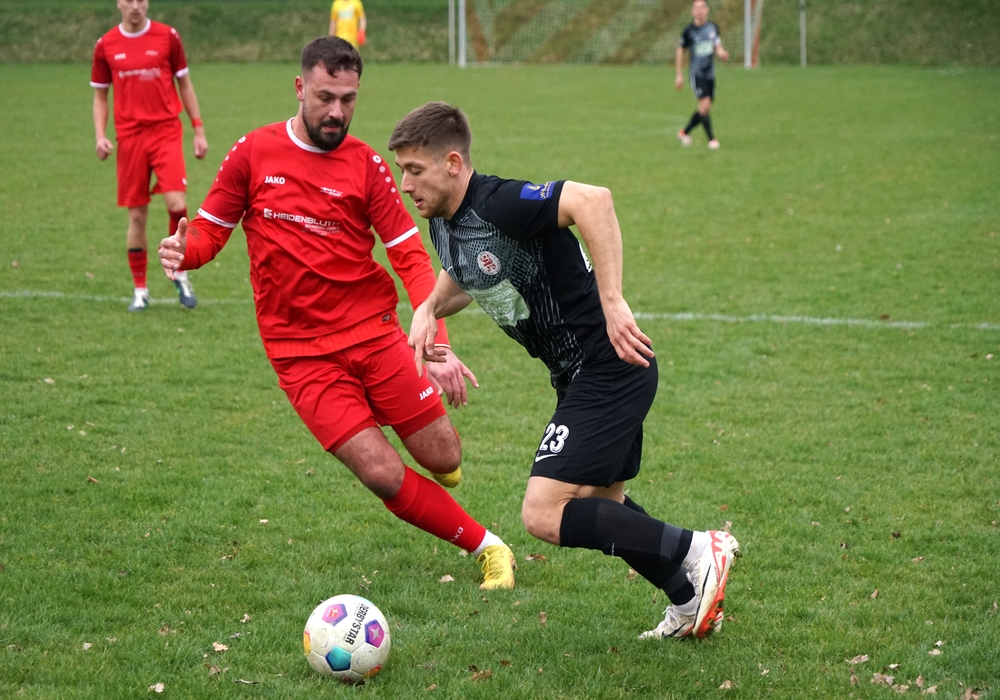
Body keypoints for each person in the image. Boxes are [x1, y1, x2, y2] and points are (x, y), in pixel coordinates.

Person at [157, 38, 516, 590]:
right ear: (300, 88)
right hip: (300, 354)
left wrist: (434, 343)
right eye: (325, 97)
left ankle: (432, 463)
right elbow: (209, 231)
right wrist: (188, 251)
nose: (336, 112)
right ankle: (489, 547)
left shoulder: (369, 166)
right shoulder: (254, 153)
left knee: (444, 456)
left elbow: (411, 258)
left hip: (373, 334)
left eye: (348, 99)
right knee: (379, 471)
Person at [389, 102, 741, 639]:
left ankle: (700, 548)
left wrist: (614, 298)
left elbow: (591, 200)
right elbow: (462, 273)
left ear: (453, 163)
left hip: (606, 364)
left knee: (543, 513)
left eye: (415, 170)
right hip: (581, 373)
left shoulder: (499, 202)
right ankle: (689, 600)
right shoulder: (446, 222)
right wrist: (427, 308)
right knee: (603, 505)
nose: (406, 184)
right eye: (402, 171)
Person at [91, 0, 208, 312]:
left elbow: (185, 83)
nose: (135, 6)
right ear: (119, 3)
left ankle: (178, 271)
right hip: (129, 138)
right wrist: (100, 135)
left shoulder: (168, 36)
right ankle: (140, 289)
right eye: (129, 0)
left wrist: (198, 129)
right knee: (137, 215)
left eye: (141, 0)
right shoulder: (106, 45)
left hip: (166, 131)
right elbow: (100, 96)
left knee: (176, 203)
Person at [675, 0, 729, 150]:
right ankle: (712, 140)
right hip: (696, 73)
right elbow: (680, 51)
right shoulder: (688, 31)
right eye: (696, 8)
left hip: (710, 73)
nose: (699, 11)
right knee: (704, 105)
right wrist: (679, 74)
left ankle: (683, 132)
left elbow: (717, 47)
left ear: (707, 10)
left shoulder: (713, 28)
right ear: (692, 12)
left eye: (702, 8)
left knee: (705, 109)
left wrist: (722, 54)